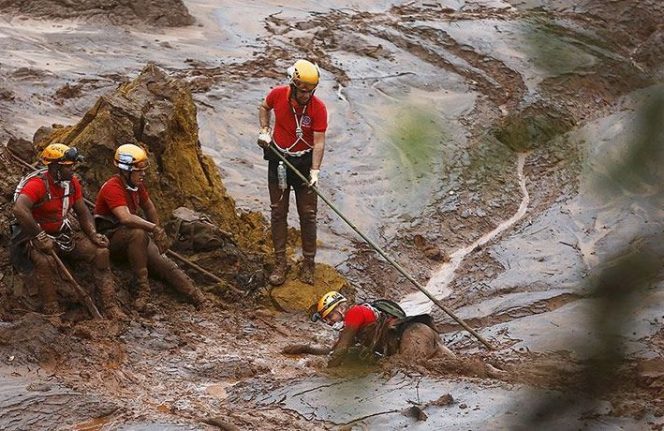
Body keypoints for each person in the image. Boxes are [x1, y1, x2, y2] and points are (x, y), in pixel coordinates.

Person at [10, 143, 125, 319]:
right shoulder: (37, 185)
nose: (73, 170)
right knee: (45, 260)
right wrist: (39, 236)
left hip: (62, 232)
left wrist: (93, 234)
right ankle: (52, 311)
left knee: (100, 253)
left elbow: (82, 211)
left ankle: (110, 306)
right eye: (69, 166)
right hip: (35, 234)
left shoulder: (72, 183)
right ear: (55, 167)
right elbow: (20, 209)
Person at [93, 144, 206, 311]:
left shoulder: (136, 186)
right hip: (111, 238)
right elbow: (125, 218)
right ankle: (142, 290)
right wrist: (153, 228)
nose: (143, 174)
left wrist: (157, 234)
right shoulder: (112, 187)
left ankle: (197, 297)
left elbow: (149, 207)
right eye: (139, 170)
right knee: (138, 234)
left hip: (131, 236)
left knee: (164, 262)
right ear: (126, 170)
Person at [256, 59, 328, 286]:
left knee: (308, 214)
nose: (306, 95)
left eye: (310, 92)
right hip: (278, 158)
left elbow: (319, 142)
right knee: (278, 211)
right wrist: (265, 130)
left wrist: (315, 171)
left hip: (304, 163)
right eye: (302, 91)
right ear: (293, 85)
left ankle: (309, 263)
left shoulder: (318, 108)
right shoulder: (278, 95)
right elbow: (264, 107)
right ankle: (280, 262)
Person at [311, 291, 455, 367]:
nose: (329, 322)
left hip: (411, 336)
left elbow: (340, 351)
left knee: (411, 369)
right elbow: (332, 351)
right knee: (457, 366)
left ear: (341, 308)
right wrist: (304, 348)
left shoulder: (354, 313)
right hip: (419, 331)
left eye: (330, 316)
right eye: (326, 320)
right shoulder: (351, 326)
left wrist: (327, 375)